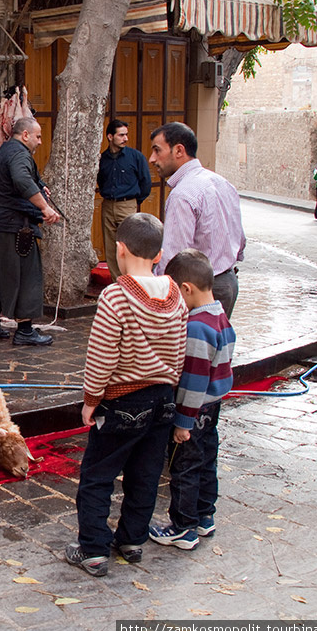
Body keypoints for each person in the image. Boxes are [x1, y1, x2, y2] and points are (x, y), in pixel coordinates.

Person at [65, 213, 188, 577]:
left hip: (121, 401)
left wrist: (90, 400)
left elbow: (102, 356)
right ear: (158, 254)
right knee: (146, 474)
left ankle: (92, 549)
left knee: (98, 474)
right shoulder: (177, 295)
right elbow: (179, 351)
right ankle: (132, 540)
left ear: (119, 250)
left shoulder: (115, 297)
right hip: (164, 399)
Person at [148, 249, 235, 550]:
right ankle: (204, 516)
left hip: (194, 410)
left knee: (183, 465)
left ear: (187, 289)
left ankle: (183, 527)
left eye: (176, 295)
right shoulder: (220, 316)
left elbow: (194, 381)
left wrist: (182, 423)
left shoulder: (198, 328)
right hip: (213, 405)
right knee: (206, 460)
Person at [0, 117, 59, 346]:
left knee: (3, 275)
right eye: (38, 136)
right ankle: (24, 330)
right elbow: (21, 180)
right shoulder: (19, 153)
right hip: (16, 226)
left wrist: (39, 188)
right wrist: (45, 208)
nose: (40, 142)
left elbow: (17, 182)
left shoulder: (3, 152)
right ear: (25, 135)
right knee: (26, 275)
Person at [150, 122, 246, 319]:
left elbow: (174, 256)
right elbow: (240, 239)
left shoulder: (183, 194)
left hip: (196, 292)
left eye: (157, 151)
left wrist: (157, 297)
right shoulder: (222, 183)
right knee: (217, 347)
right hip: (227, 282)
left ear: (179, 150)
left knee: (191, 348)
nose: (152, 159)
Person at [96, 119, 152, 280]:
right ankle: (117, 283)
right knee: (111, 247)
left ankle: (133, 281)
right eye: (121, 135)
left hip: (128, 204)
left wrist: (134, 202)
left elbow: (146, 183)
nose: (125, 138)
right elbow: (101, 180)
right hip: (107, 205)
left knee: (129, 246)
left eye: (126, 135)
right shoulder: (102, 159)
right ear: (110, 136)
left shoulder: (135, 157)